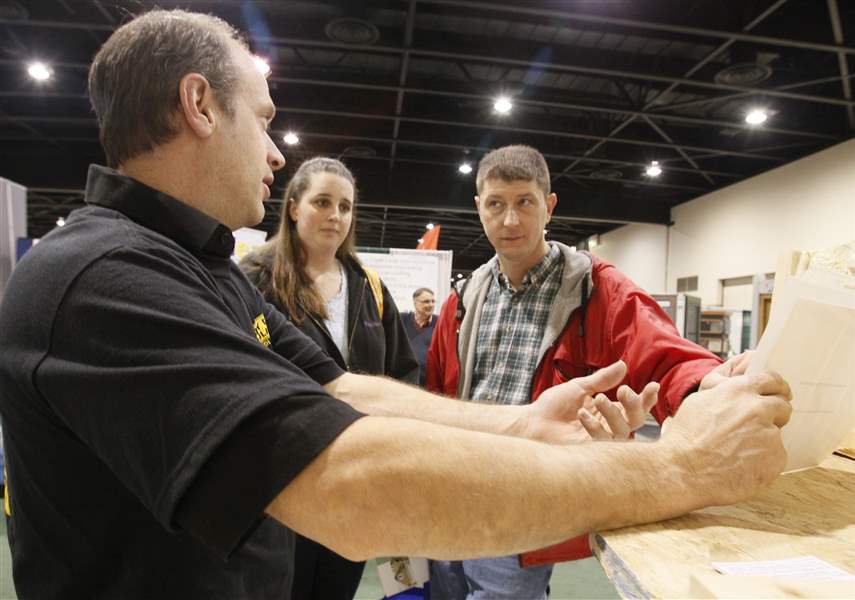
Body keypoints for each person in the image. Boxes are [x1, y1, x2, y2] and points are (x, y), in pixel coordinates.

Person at [0, 10, 792, 600]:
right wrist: (679, 467)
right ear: (200, 105)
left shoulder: (203, 269)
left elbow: (339, 387)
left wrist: (519, 424)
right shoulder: (99, 277)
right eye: (266, 120)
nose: (276, 151)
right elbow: (345, 485)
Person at [425, 145, 745, 599]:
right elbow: (438, 392)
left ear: (548, 206)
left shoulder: (596, 287)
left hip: (525, 498)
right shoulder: (463, 301)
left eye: (524, 203)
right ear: (479, 208)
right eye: (496, 204)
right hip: (452, 488)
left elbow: (665, 353)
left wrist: (708, 386)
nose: (510, 220)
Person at [240, 156, 419, 600]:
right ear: (295, 206)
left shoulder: (369, 287)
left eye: (345, 206)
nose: (335, 216)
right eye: (323, 202)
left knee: (337, 587)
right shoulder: (255, 281)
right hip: (282, 482)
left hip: (357, 477)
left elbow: (403, 373)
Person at [400, 287, 438, 385]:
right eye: (426, 301)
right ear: (415, 302)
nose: (431, 305)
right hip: (404, 380)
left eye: (433, 301)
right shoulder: (402, 320)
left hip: (428, 382)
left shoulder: (439, 323)